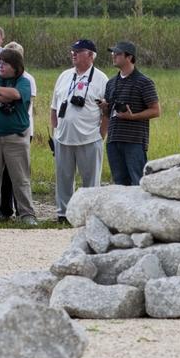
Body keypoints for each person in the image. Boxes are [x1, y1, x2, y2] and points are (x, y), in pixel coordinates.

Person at [49, 39, 108, 223]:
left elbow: (106, 111)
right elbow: (54, 106)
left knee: (90, 180)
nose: (73, 54)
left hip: (90, 138)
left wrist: (101, 134)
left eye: (79, 51)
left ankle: (90, 215)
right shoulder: (65, 76)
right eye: (72, 50)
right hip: (64, 137)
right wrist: (55, 132)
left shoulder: (101, 79)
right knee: (63, 178)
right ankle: (63, 213)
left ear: (91, 55)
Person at [0, 48, 35, 224]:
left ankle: (27, 214)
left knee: (20, 179)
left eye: (5, 64)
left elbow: (17, 94)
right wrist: (2, 95)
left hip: (16, 138)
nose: (1, 66)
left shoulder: (23, 81)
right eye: (0, 63)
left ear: (15, 66)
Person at [99, 40, 160, 185]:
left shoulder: (144, 82)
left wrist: (133, 117)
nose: (113, 56)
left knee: (138, 182)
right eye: (113, 53)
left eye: (118, 53)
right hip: (113, 140)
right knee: (119, 184)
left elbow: (156, 110)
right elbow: (108, 113)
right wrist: (105, 107)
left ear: (129, 57)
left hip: (134, 141)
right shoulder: (111, 82)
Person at [0, 40, 35, 218]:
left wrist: (3, 96)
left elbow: (23, 103)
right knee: (3, 175)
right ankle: (5, 209)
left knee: (19, 174)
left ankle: (24, 211)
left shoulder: (27, 79)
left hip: (22, 130)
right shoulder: (0, 78)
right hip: (1, 131)